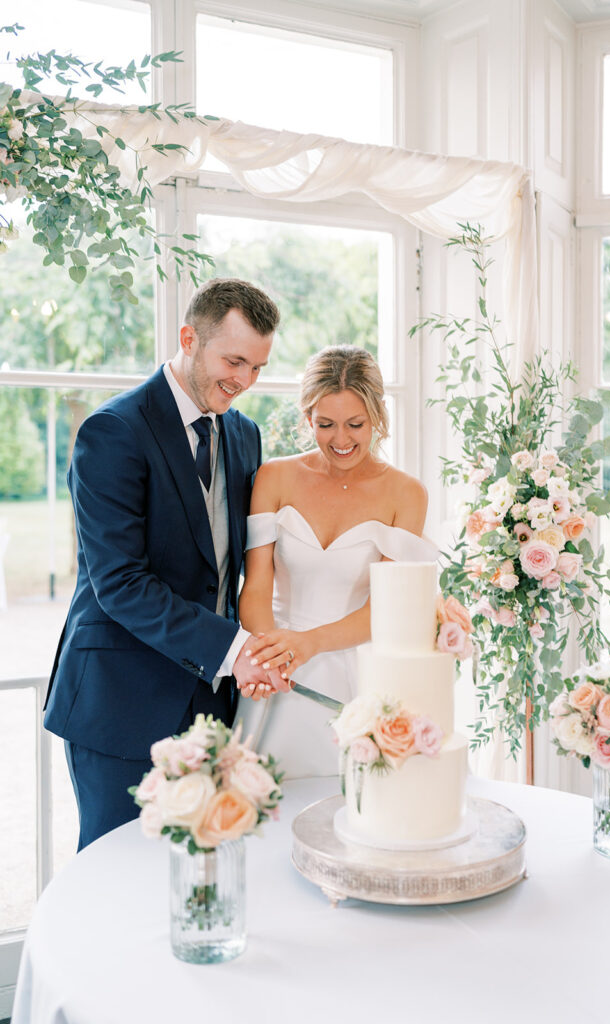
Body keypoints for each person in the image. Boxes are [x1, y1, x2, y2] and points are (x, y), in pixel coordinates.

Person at [44, 278, 284, 849]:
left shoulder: (245, 436)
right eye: (234, 361)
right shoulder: (114, 432)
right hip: (120, 703)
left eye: (257, 367)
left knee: (197, 876)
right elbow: (121, 584)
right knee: (115, 882)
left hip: (213, 704)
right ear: (188, 338)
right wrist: (234, 649)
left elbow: (241, 561)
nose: (245, 381)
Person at [236, 345, 437, 777]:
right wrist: (267, 655)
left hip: (357, 665)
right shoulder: (274, 477)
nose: (341, 440)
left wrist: (308, 645)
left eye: (355, 424)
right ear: (307, 416)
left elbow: (386, 607)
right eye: (325, 424)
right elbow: (255, 587)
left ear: (378, 416)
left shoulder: (406, 494)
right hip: (276, 658)